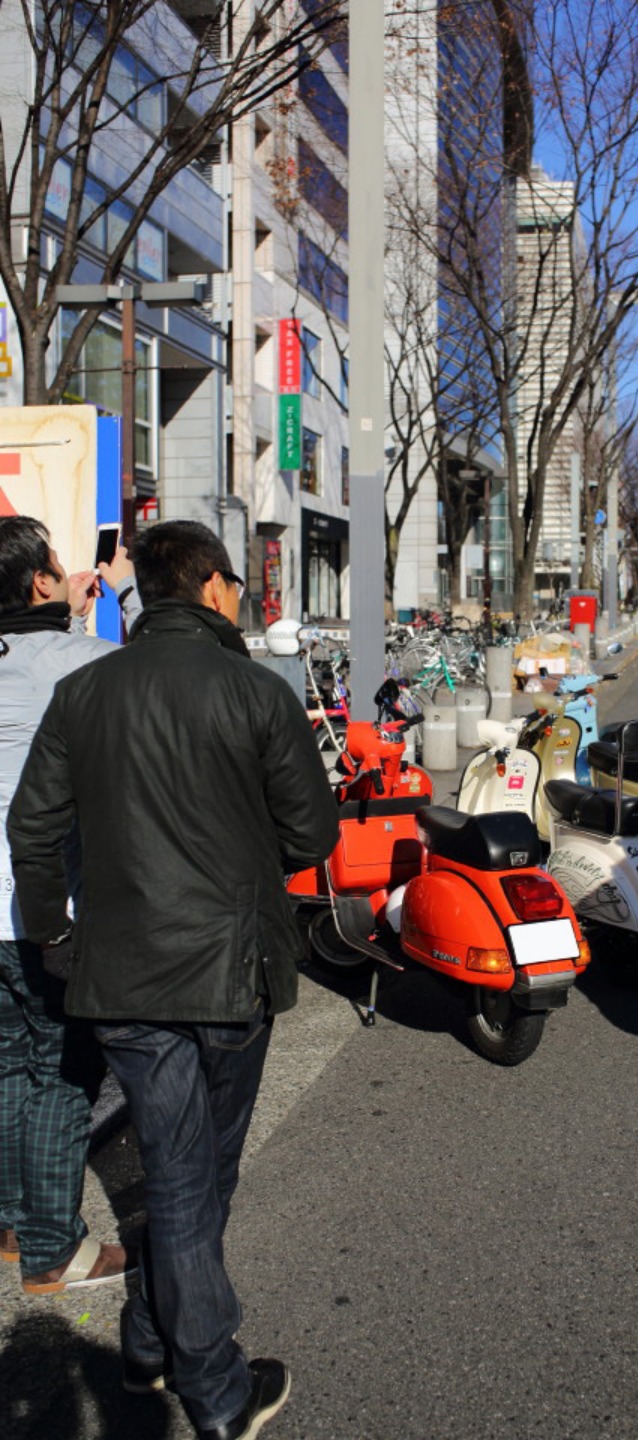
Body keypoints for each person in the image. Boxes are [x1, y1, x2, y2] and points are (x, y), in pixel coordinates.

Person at [8, 521, 339, 1440]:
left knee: (180, 1172)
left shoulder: (85, 690)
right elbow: (313, 837)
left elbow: (32, 829)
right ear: (212, 588)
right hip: (232, 973)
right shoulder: (257, 692)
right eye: (232, 582)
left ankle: (151, 1342)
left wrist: (52, 936)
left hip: (120, 973)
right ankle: (217, 1390)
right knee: (198, 1180)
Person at [0, 514, 140, 1294]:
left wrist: (69, 614)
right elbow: (169, 680)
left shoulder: (66, 651)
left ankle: (15, 1225)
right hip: (47, 912)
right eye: (55, 563)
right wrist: (116, 595)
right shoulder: (92, 663)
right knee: (59, 1071)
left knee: (4, 1065)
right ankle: (56, 1247)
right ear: (40, 582)